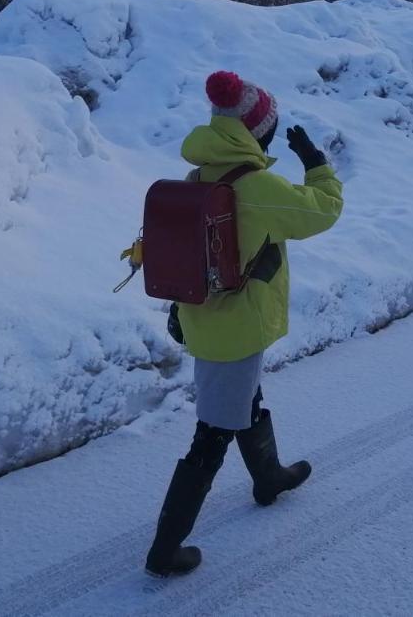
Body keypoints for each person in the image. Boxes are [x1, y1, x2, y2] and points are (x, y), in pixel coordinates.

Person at [144, 70, 344, 578]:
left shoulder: (197, 178)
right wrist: (317, 165)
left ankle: (269, 477)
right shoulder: (257, 186)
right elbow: (323, 211)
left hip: (201, 318)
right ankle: (166, 549)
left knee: (241, 400)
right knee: (212, 432)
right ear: (258, 134)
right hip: (237, 331)